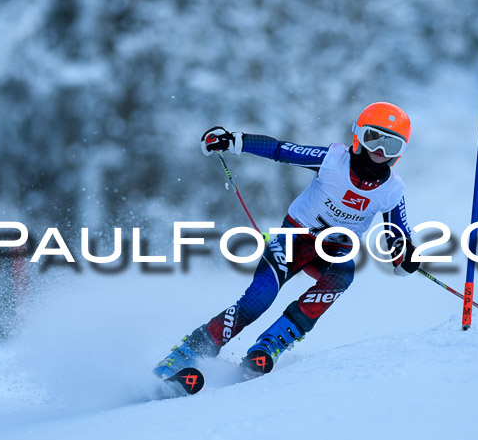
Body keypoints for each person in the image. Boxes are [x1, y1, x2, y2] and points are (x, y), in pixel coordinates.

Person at [154, 102, 420, 378]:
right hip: (295, 237)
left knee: (344, 272)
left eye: (392, 145)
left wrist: (406, 258)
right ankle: (184, 355)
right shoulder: (333, 161)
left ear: (400, 152)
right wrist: (234, 141)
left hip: (335, 249)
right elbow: (282, 150)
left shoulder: (392, 190)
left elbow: (399, 238)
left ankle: (269, 346)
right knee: (258, 299)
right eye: (373, 138)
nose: (380, 151)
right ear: (358, 136)